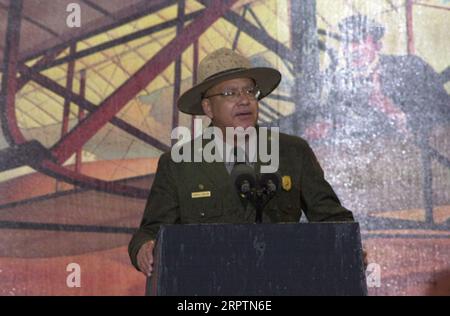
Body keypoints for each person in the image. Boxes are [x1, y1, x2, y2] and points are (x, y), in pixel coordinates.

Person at [128, 48, 354, 276]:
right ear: (208, 108)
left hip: (284, 282)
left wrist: (349, 247)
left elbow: (332, 218)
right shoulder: (178, 164)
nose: (244, 100)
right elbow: (150, 233)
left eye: (249, 91)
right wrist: (144, 250)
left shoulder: (292, 152)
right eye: (230, 93)